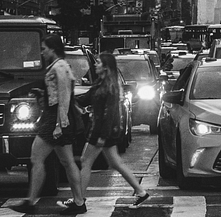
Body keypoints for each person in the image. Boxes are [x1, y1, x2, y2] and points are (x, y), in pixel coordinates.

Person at [12, 35, 87, 214]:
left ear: (53, 49)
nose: (42, 52)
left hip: (55, 118)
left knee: (37, 159)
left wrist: (59, 124)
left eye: (45, 49)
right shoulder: (58, 66)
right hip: (55, 117)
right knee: (67, 162)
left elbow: (64, 96)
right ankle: (78, 202)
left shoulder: (60, 67)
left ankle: (31, 201)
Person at [65, 53, 149, 209]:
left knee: (85, 161)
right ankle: (141, 192)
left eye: (98, 63)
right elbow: (84, 99)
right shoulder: (100, 84)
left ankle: (79, 200)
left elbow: (109, 114)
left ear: (106, 67)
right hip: (102, 131)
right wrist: (68, 94)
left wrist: (102, 136)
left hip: (101, 132)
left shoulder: (110, 87)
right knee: (115, 163)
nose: (95, 65)